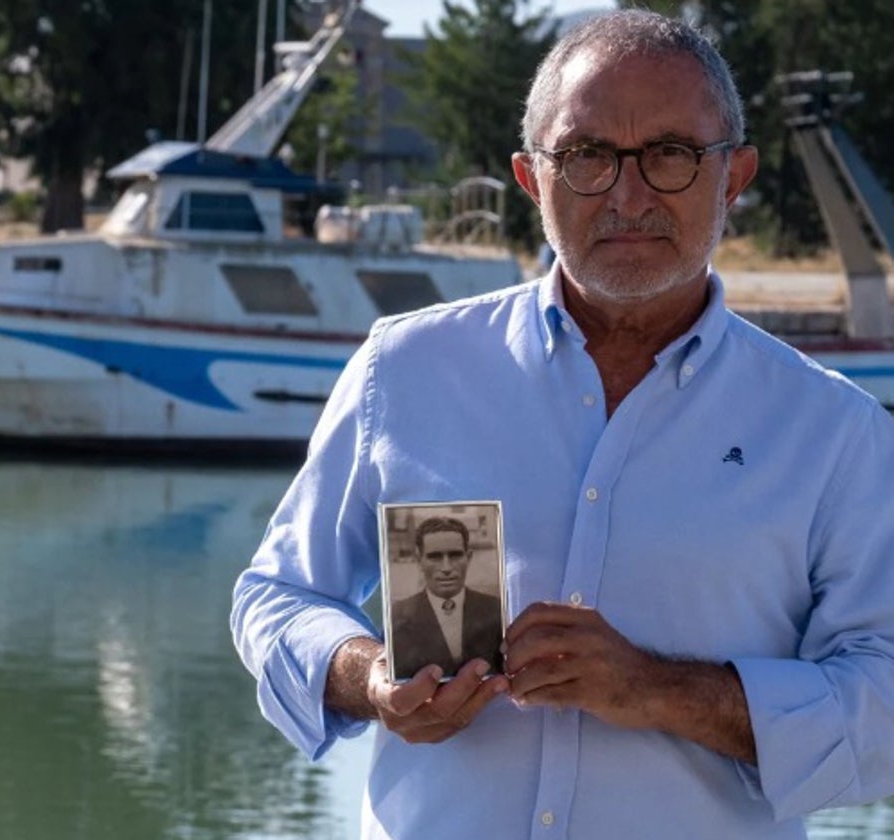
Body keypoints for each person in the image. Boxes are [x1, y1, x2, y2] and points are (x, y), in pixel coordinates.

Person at [230, 9, 894, 839]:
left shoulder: (833, 430)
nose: (628, 194)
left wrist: (653, 689)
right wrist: (367, 677)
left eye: (671, 154)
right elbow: (279, 595)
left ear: (735, 177)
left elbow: (883, 707)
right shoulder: (405, 371)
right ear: (530, 177)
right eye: (585, 155)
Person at [388, 516, 502, 680]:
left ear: (468, 558)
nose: (446, 568)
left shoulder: (495, 609)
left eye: (455, 555)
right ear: (419, 561)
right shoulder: (396, 615)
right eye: (434, 557)